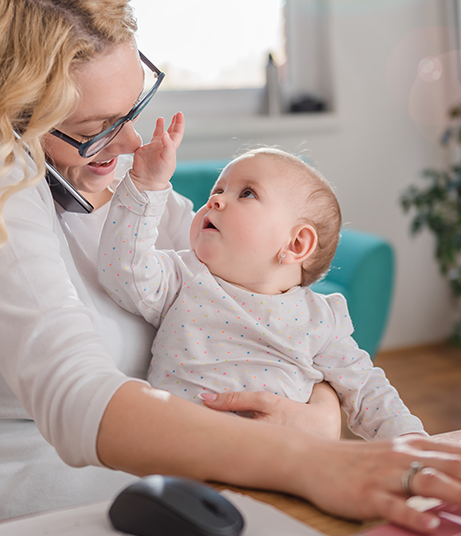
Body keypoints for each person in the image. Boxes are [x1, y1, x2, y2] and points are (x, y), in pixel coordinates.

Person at [0, 0, 461, 533]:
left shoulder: (123, 193)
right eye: (91, 129)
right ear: (1, 114)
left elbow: (264, 314)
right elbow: (78, 398)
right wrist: (312, 460)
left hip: (173, 497)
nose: (132, 144)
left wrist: (318, 420)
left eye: (134, 106)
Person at [99, 145, 426, 440]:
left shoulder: (320, 319)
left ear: (296, 244)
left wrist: (409, 440)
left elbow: (367, 390)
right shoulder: (181, 276)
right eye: (219, 189)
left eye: (247, 194)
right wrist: (146, 188)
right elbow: (123, 269)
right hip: (182, 461)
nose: (216, 199)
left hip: (283, 466)